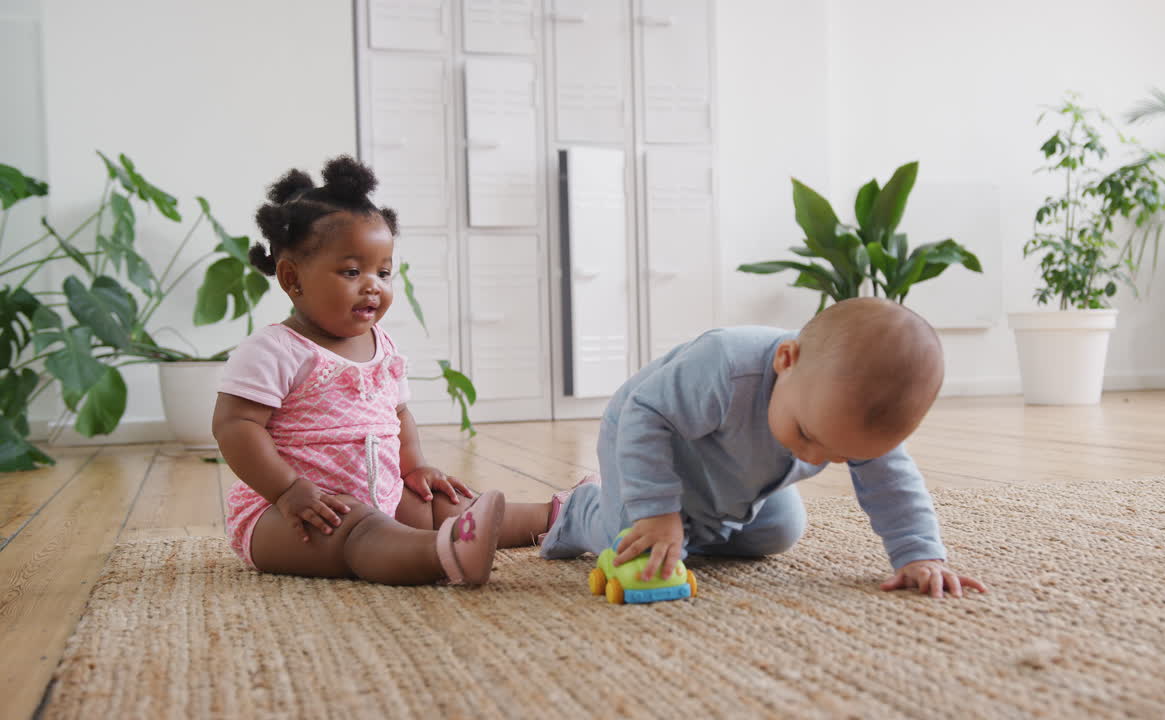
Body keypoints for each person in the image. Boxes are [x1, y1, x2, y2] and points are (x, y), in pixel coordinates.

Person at [213, 156, 552, 585]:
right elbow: (235, 425)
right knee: (359, 530)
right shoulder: (275, 349)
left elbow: (398, 416)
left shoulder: (383, 345)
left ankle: (560, 516)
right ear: (292, 278)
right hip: (289, 514)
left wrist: (415, 468)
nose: (373, 284)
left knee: (442, 502)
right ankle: (446, 552)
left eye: (383, 271)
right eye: (352, 271)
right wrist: (286, 490)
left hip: (381, 491)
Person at [540, 297, 987, 599]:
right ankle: (581, 510)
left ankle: (693, 525)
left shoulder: (844, 413)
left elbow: (893, 483)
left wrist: (919, 553)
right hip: (648, 437)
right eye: (809, 436)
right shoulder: (725, 365)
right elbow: (645, 414)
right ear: (785, 361)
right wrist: (657, 513)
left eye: (841, 456)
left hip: (735, 467)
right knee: (635, 539)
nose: (814, 459)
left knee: (780, 530)